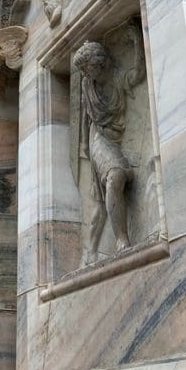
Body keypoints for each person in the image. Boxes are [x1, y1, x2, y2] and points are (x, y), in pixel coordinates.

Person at [72, 41, 136, 262]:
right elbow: (85, 117)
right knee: (115, 176)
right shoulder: (87, 84)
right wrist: (82, 143)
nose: (84, 74)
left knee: (101, 204)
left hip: (116, 134)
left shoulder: (117, 76)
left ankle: (92, 251)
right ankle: (122, 240)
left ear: (98, 64)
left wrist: (136, 38)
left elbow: (136, 75)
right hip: (97, 136)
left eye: (86, 68)